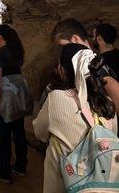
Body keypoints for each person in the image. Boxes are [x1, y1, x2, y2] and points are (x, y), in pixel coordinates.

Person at [33, 43, 117, 193]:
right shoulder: (107, 104)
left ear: (64, 70)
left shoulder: (57, 98)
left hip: (65, 183)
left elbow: (39, 133)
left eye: (59, 64)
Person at [0, 24, 28, 184]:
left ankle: (4, 172)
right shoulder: (17, 51)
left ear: (0, 36)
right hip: (19, 94)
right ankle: (20, 167)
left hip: (6, 96)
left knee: (4, 135)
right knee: (19, 131)